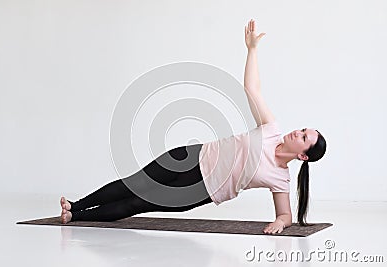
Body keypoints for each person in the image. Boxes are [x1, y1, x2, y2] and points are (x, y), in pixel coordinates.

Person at [60, 19, 327, 235]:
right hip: (192, 155)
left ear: (303, 155)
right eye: (303, 129)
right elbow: (252, 89)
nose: (298, 132)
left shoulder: (281, 179)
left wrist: (281, 223)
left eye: (304, 137)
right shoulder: (271, 129)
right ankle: (76, 205)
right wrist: (252, 50)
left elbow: (285, 215)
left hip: (201, 190)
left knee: (137, 202)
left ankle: (74, 217)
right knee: (134, 183)